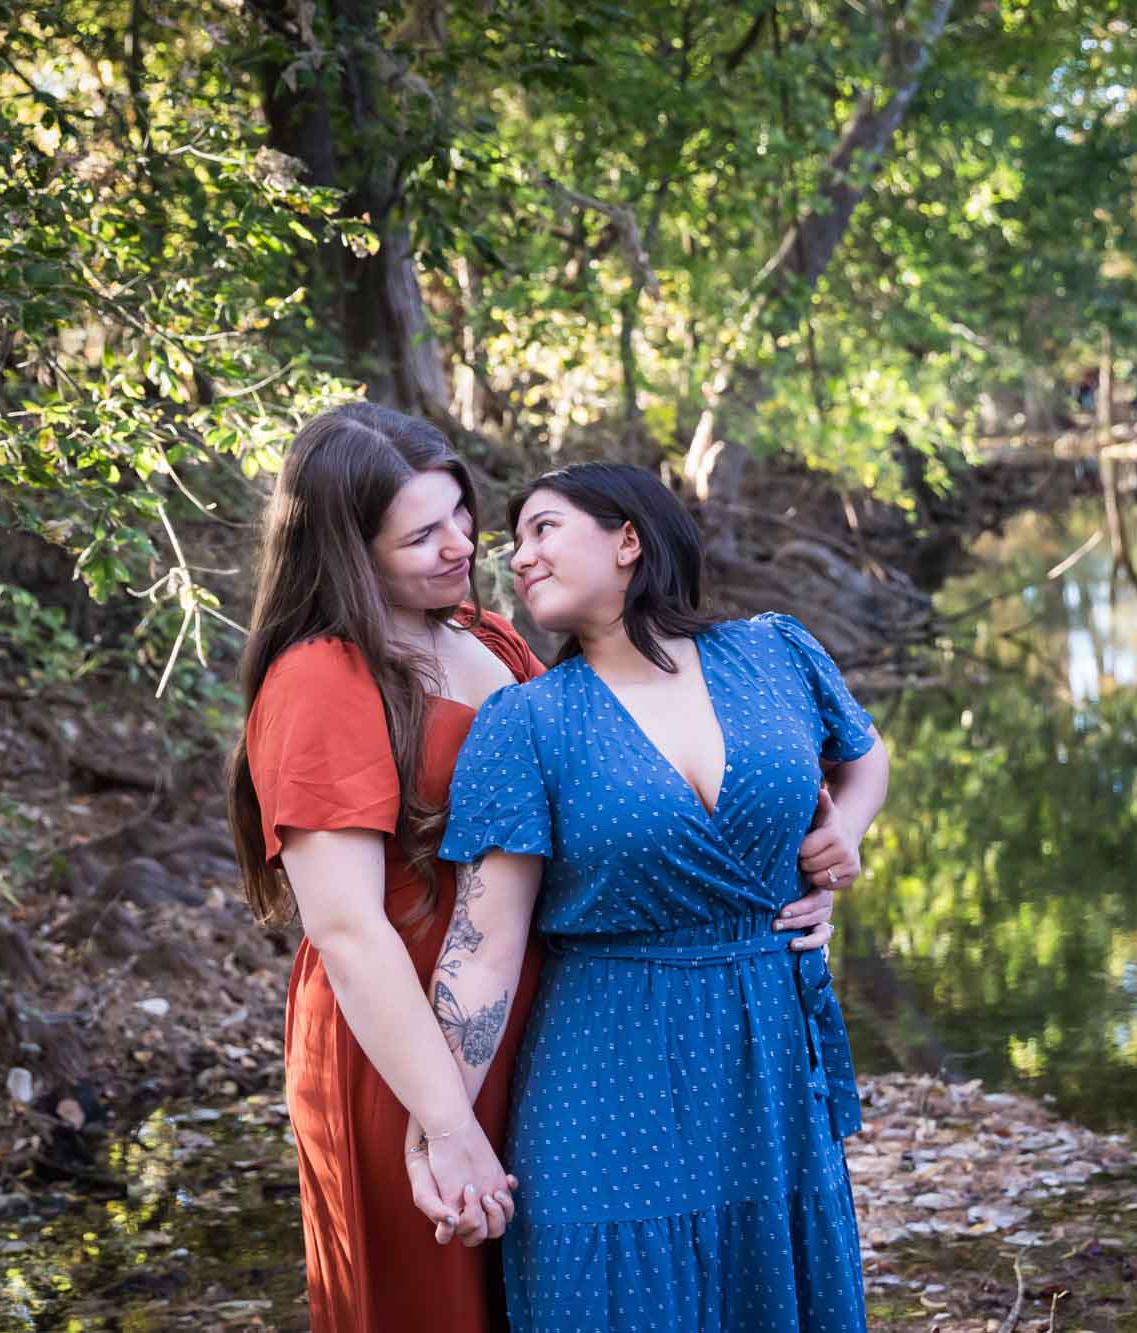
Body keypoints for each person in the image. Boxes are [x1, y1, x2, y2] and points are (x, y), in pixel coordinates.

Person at [224, 407, 837, 1333]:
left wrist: (791, 870)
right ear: (346, 550)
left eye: (463, 516)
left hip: (547, 1014)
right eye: (422, 534)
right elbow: (348, 930)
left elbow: (613, 790)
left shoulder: (487, 637)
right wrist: (446, 1121)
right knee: (438, 1301)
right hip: (401, 1033)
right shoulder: (321, 678)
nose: (462, 545)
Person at [424, 462, 891, 1331]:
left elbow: (863, 754)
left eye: (543, 529)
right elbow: (482, 948)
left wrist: (845, 834)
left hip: (768, 1057)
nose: (518, 557)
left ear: (628, 539)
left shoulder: (774, 652)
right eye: (514, 541)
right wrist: (440, 1130)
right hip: (606, 1064)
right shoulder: (525, 722)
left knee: (773, 1289)